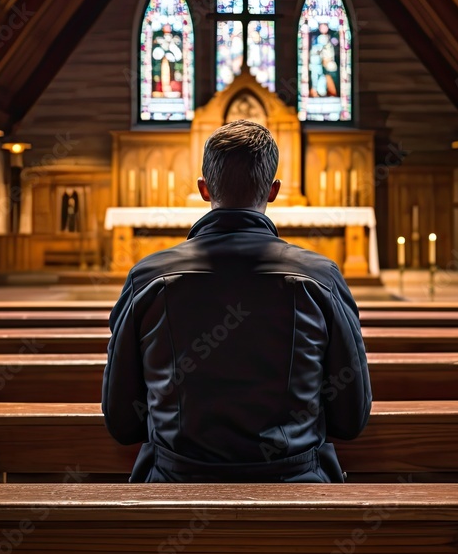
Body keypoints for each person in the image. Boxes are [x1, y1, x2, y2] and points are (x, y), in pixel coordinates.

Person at [103, 120, 371, 482]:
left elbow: (122, 423)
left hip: (174, 488)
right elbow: (350, 418)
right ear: (274, 190)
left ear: (203, 188)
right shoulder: (319, 277)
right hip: (296, 492)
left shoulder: (148, 278)